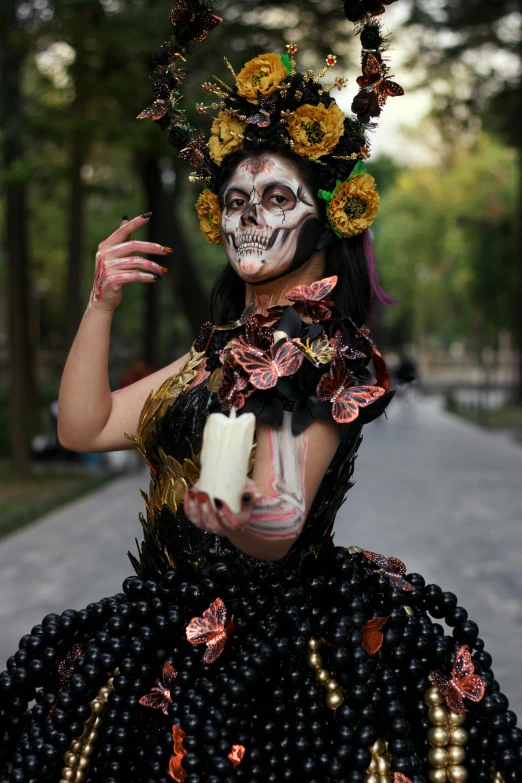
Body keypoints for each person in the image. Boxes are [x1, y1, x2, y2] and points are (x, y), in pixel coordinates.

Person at [1, 2, 519, 782]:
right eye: (238, 202)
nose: (251, 218)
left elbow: (276, 522)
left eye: (278, 198)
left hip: (279, 666)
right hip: (165, 634)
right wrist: (99, 301)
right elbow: (86, 424)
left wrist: (228, 496)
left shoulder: (325, 352)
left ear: (327, 216)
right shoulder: (211, 354)